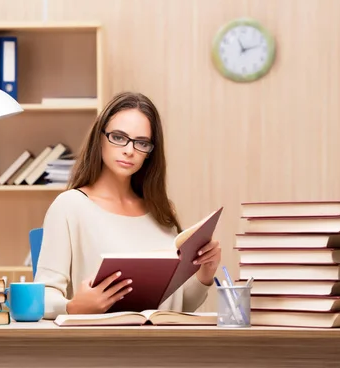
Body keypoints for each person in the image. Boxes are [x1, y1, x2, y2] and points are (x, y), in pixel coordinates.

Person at [34, 91, 221, 319]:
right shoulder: (69, 206)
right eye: (119, 137)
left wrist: (204, 274)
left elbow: (178, 306)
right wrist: (73, 306)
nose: (129, 150)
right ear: (100, 137)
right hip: (101, 346)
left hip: (162, 346)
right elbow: (42, 297)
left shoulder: (162, 211)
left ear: (150, 153)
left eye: (141, 143)